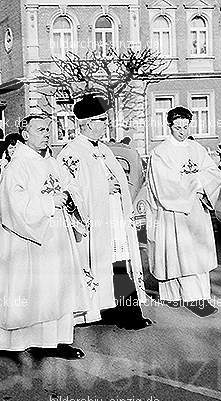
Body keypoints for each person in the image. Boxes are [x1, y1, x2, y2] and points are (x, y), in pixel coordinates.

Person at [0, 114, 88, 359]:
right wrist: (50, 202)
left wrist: (70, 197)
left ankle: (58, 340)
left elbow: (71, 187)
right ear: (25, 135)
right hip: (29, 240)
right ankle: (17, 343)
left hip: (56, 239)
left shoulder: (52, 162)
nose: (47, 134)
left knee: (56, 288)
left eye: (49, 130)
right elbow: (11, 207)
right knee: (30, 291)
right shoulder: (18, 165)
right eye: (41, 130)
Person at [57, 94, 151, 330]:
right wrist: (103, 187)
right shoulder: (71, 153)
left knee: (120, 262)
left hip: (114, 217)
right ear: (88, 123)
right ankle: (95, 311)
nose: (105, 125)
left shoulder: (104, 150)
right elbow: (69, 189)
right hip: (93, 222)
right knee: (98, 264)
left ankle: (128, 312)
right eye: (102, 121)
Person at [145, 106, 221, 317]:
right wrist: (195, 183)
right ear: (169, 126)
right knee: (174, 253)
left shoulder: (197, 148)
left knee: (194, 255)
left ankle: (197, 298)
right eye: (178, 127)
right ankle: (172, 295)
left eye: (186, 127)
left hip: (196, 211)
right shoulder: (160, 152)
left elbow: (212, 173)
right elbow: (164, 184)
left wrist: (201, 186)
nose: (182, 131)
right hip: (173, 212)